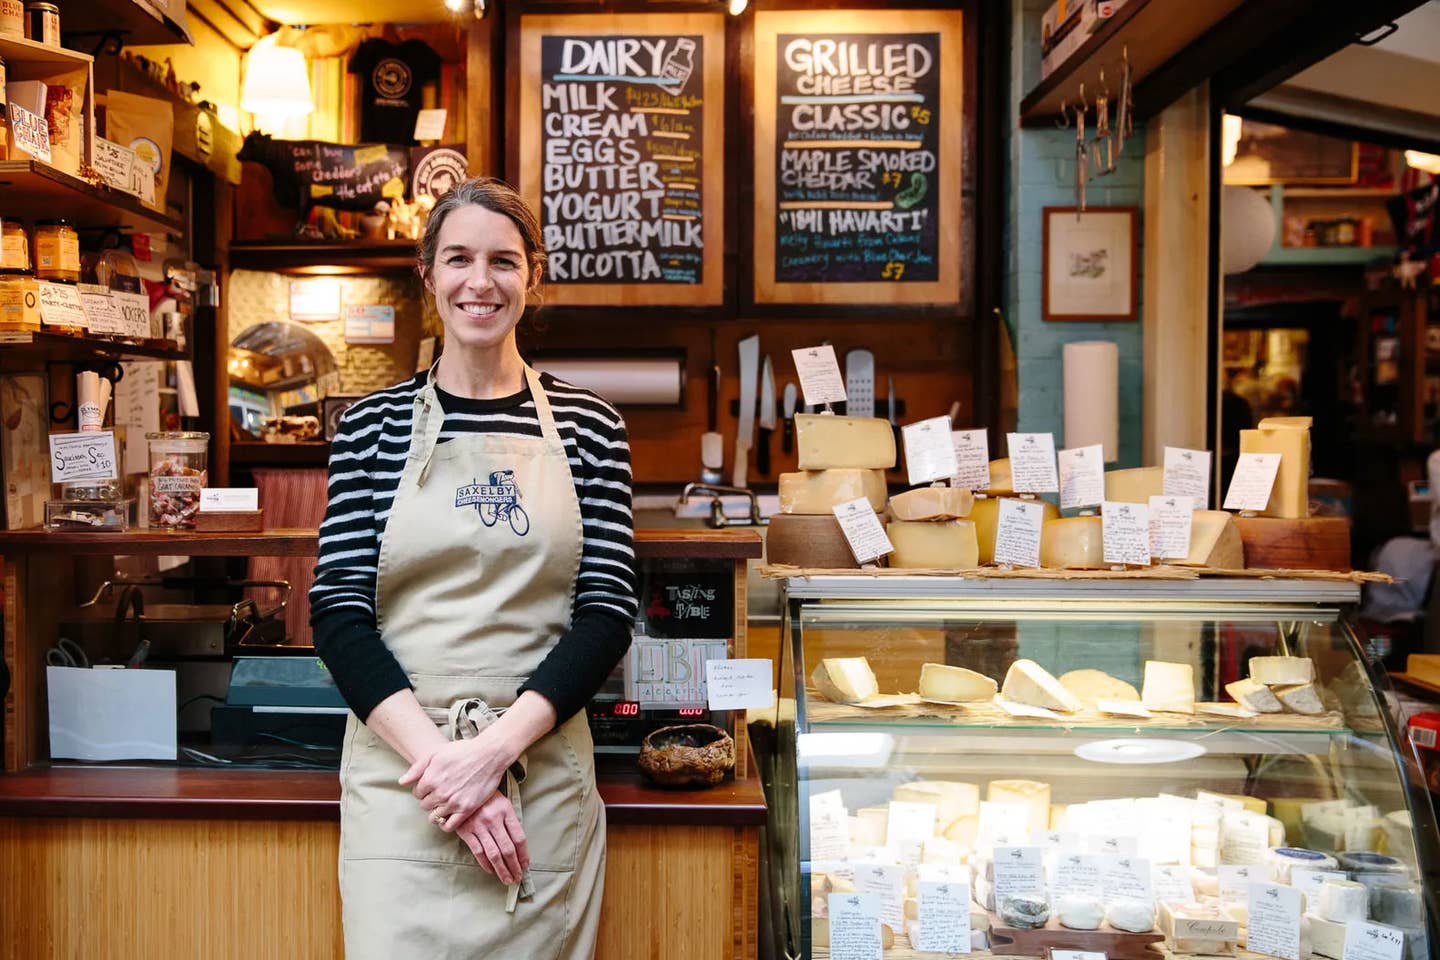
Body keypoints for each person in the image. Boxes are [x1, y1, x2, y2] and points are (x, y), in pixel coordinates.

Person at [309, 177, 638, 958]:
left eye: (503, 260)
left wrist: (492, 755)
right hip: (405, 782)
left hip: (541, 782)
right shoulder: (372, 426)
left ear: (534, 273)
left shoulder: (593, 427)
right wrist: (445, 770)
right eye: (458, 258)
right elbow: (338, 612)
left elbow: (606, 610)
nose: (479, 282)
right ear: (428, 275)